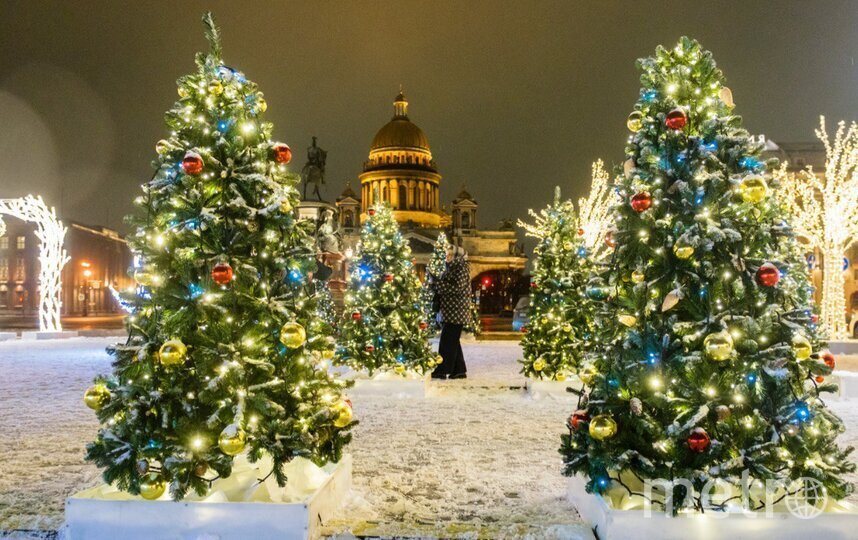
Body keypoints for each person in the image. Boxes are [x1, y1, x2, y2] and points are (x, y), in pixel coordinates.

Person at [431, 245, 471, 379]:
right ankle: (459, 370)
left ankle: (442, 370)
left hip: (456, 312)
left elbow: (457, 288)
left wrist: (438, 284)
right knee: (452, 341)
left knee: (447, 342)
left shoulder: (461, 268)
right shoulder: (452, 268)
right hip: (451, 311)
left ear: (457, 257)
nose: (446, 257)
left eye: (449, 255)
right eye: (446, 255)